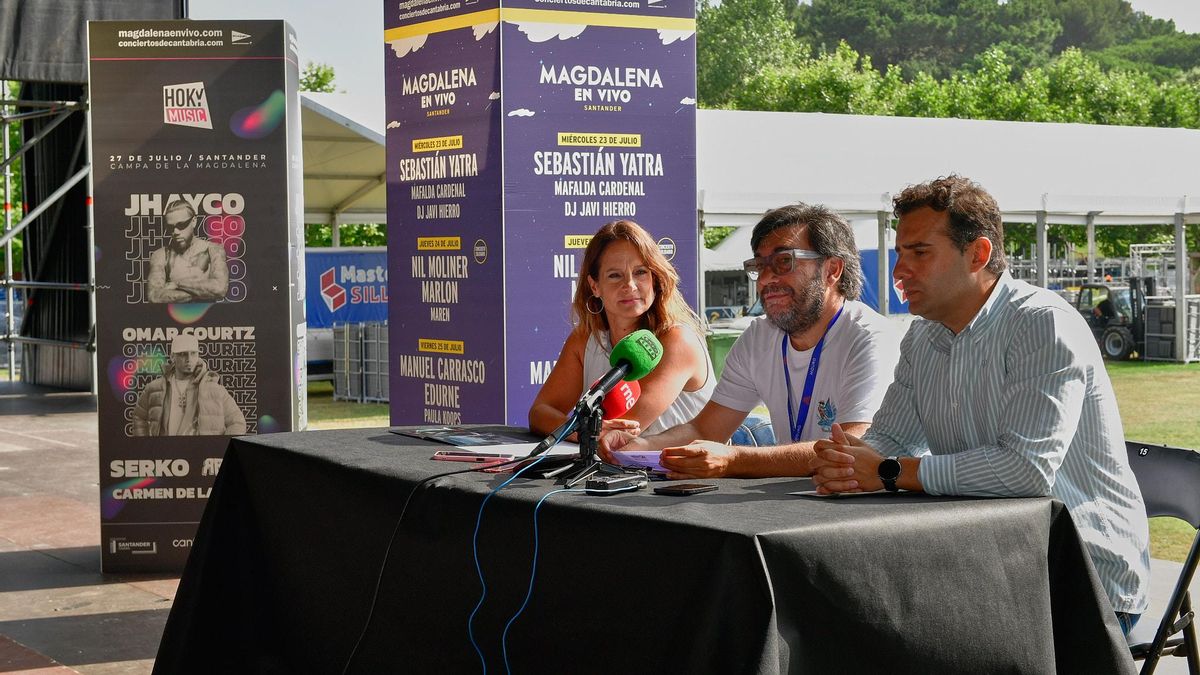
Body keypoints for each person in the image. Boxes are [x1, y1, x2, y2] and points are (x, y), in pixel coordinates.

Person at [810, 175, 1150, 632]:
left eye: (919, 253)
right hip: (987, 568)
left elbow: (1025, 470)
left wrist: (889, 471)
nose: (898, 272)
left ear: (979, 254)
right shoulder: (923, 335)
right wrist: (849, 463)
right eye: (899, 254)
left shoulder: (1042, 325)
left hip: (1080, 582)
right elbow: (889, 439)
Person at [599, 204, 901, 478]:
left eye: (784, 262)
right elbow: (704, 428)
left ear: (832, 270)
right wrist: (639, 445)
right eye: (759, 266)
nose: (767, 278)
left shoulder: (869, 338)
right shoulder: (759, 336)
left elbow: (849, 446)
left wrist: (734, 460)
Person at [528, 220, 714, 440]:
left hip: (683, 474)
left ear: (655, 279)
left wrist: (580, 431)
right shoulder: (585, 339)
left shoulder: (678, 340)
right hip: (619, 472)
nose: (630, 285)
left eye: (641, 272)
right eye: (615, 275)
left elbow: (624, 432)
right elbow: (541, 413)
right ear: (595, 286)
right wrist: (584, 432)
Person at [131, 334, 247, 436]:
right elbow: (139, 417)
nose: (189, 359)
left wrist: (221, 448)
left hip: (201, 456)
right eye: (183, 354)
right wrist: (146, 445)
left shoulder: (214, 389)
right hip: (166, 455)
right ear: (172, 357)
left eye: (193, 353)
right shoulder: (154, 388)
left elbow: (238, 422)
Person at [146, 200, 229, 303]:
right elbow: (154, 296)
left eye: (181, 225)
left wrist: (177, 284)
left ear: (194, 221)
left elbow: (220, 289)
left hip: (208, 316)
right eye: (170, 227)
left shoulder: (214, 250)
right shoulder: (160, 255)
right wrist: (203, 293)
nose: (175, 232)